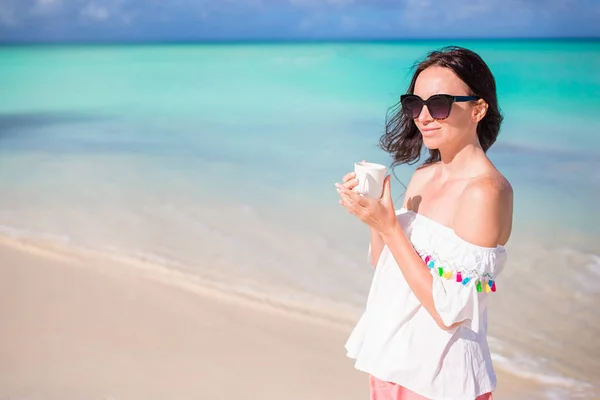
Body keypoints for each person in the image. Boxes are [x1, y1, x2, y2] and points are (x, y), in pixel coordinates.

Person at [335, 46, 513, 400]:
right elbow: (385, 265)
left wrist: (388, 227)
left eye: (440, 104)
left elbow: (448, 311)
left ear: (478, 109)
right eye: (415, 105)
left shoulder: (486, 192)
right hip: (392, 364)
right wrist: (375, 215)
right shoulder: (424, 175)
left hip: (441, 380)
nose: (424, 116)